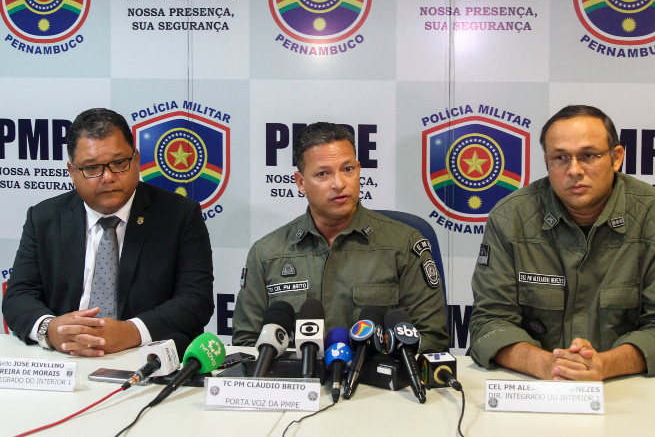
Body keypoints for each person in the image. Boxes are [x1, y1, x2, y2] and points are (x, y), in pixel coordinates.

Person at [469, 105, 655, 380]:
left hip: (623, 385)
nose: (574, 170)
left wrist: (603, 366)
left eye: (588, 155)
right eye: (560, 158)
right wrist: (546, 365)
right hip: (532, 383)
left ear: (616, 157)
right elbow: (489, 321)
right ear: (547, 163)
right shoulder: (510, 218)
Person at [2, 108, 214, 357]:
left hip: (145, 358)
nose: (108, 177)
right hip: (65, 359)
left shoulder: (180, 215)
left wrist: (131, 332)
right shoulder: (44, 217)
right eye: (92, 168)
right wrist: (51, 329)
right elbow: (18, 296)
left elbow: (196, 300)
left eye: (119, 163)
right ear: (72, 171)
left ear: (135, 159)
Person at [232, 122, 449, 352]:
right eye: (323, 173)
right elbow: (246, 343)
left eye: (347, 170)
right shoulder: (267, 253)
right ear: (301, 182)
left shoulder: (404, 244)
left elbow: (431, 337)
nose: (339, 184)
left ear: (358, 170)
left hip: (376, 383)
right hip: (297, 383)